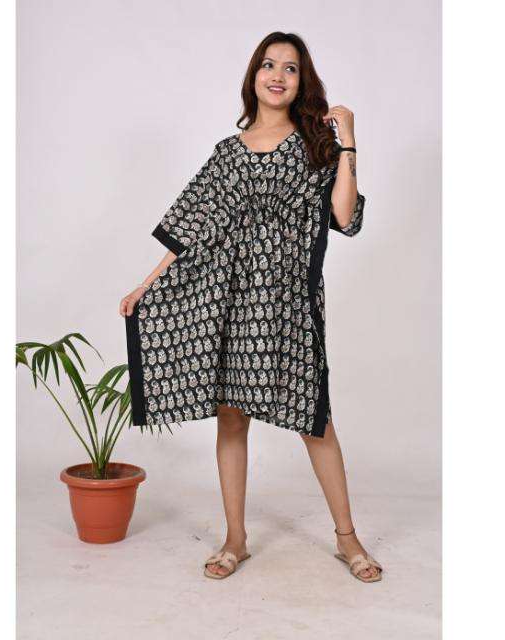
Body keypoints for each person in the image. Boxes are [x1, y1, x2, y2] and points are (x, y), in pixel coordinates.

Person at [120, 31, 382, 583]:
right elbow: (191, 227)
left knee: (314, 417)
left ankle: (347, 538)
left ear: (302, 82)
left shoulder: (316, 146)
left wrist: (349, 142)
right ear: (254, 76)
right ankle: (234, 539)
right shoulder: (228, 153)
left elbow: (344, 217)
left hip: (289, 301)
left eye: (290, 68)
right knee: (232, 417)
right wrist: (147, 285)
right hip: (231, 300)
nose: (277, 75)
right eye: (268, 64)